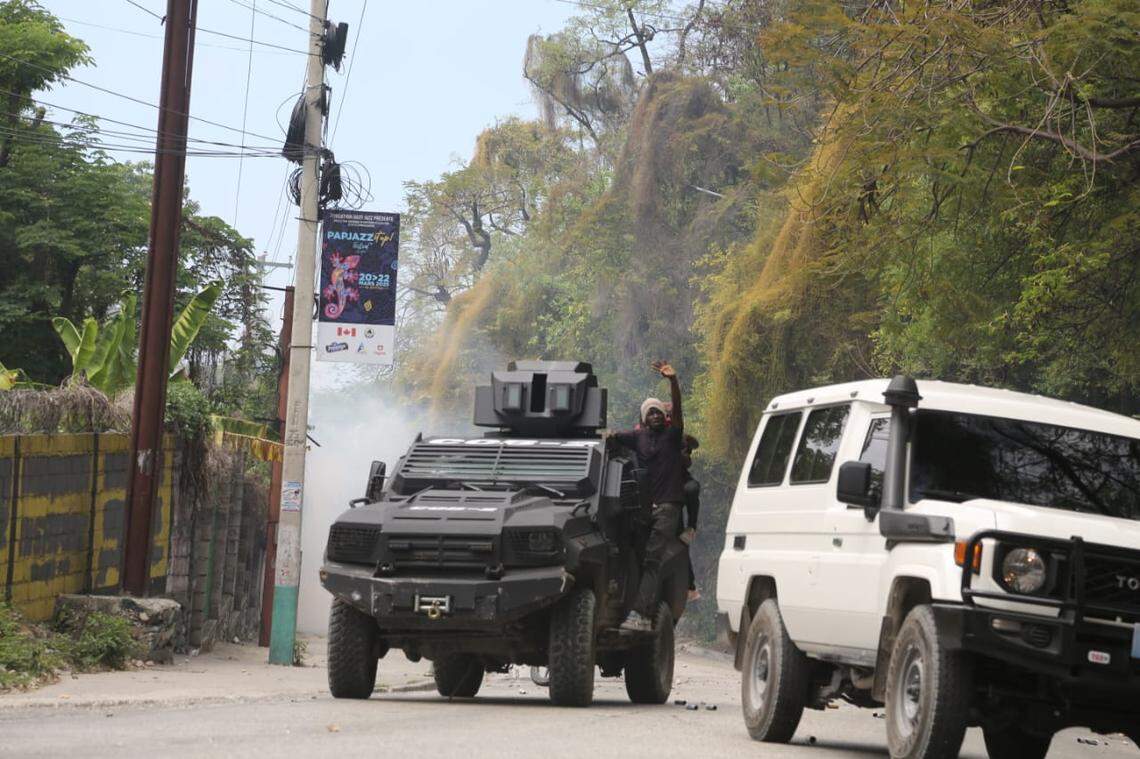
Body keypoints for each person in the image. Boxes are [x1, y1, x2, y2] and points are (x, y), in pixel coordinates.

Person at [609, 360, 688, 632]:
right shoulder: (638, 438)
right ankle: (641, 609)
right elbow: (613, 437)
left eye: (657, 411)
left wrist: (673, 382)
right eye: (649, 413)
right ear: (643, 418)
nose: (654, 415)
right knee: (638, 558)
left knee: (652, 559)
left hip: (668, 505)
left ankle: (640, 614)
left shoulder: (672, 435)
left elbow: (678, 411)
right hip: (644, 508)